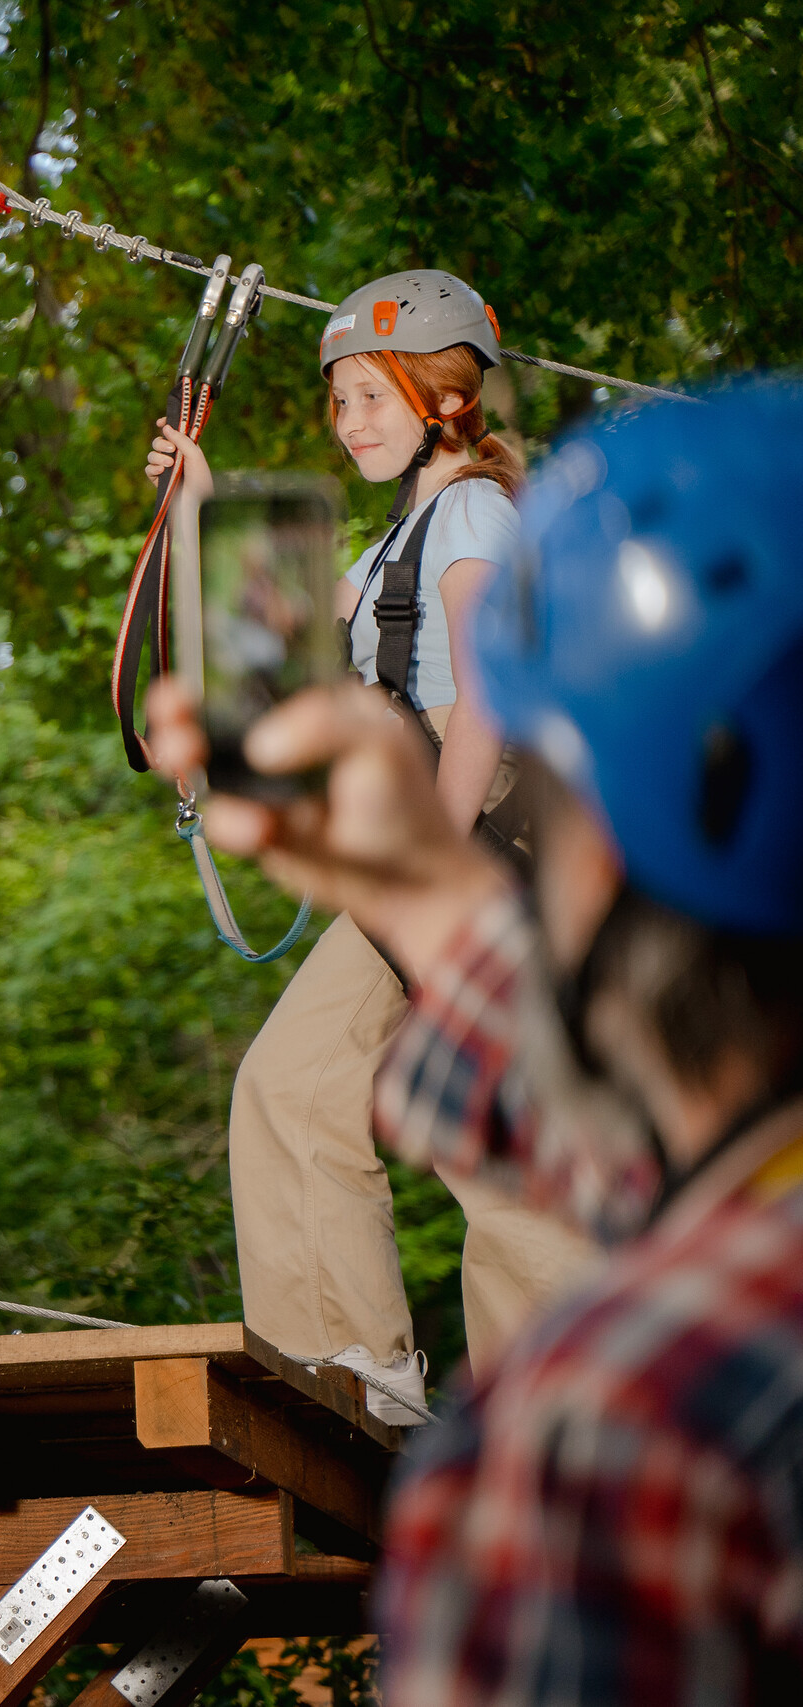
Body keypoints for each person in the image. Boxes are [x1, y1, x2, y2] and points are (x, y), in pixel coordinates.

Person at [148, 382, 803, 1701]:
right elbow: (640, 1169)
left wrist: (434, 852)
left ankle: (356, 1366)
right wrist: (424, 890)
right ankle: (348, 1358)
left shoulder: (612, 1439)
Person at [147, 268, 595, 1415]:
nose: (347, 423)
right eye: (336, 401)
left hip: (477, 841)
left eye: (369, 397)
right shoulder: (401, 534)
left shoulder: (478, 516)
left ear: (443, 397)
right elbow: (273, 641)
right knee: (293, 1090)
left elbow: (485, 700)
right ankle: (350, 1364)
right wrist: (199, 503)